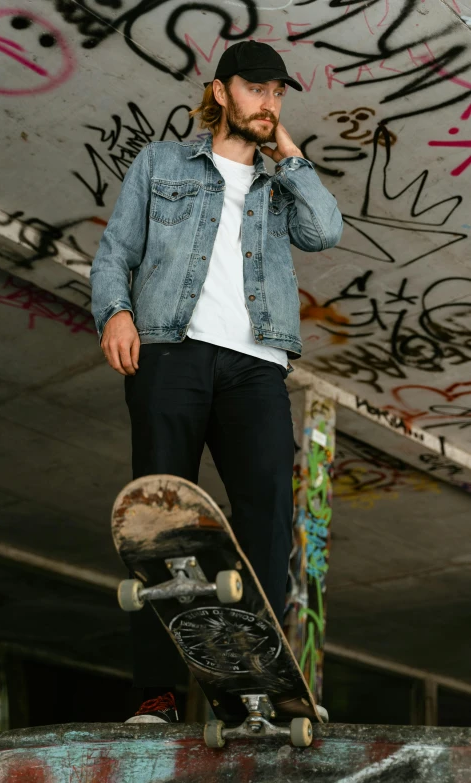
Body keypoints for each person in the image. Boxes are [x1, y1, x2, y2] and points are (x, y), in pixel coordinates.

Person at [90, 40, 343, 723]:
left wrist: (286, 148)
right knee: (160, 523)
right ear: (220, 90)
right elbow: (116, 250)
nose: (268, 100)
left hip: (256, 364)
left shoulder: (278, 183)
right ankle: (157, 690)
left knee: (264, 524)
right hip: (171, 353)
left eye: (278, 92)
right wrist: (116, 310)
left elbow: (326, 229)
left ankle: (247, 690)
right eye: (255, 89)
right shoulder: (162, 162)